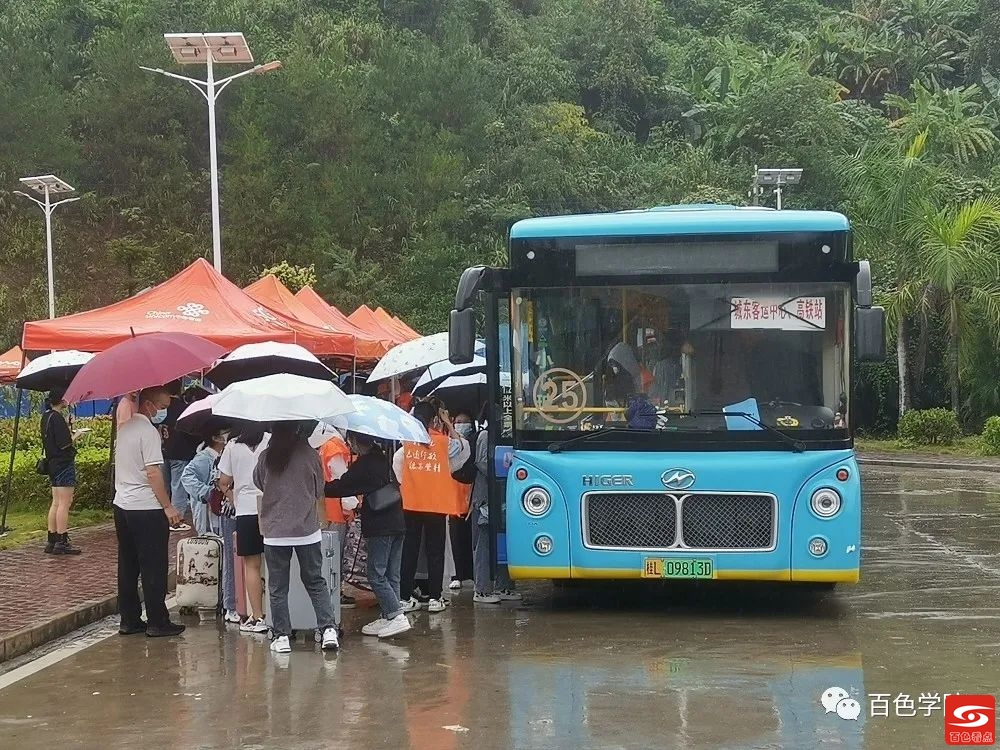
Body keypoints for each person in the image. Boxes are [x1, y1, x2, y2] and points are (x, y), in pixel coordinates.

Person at [253, 421, 339, 655]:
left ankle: (281, 636)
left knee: (278, 587)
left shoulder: (266, 456)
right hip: (307, 531)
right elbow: (319, 488)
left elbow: (258, 482)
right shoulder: (310, 455)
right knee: (315, 581)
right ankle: (328, 629)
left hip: (275, 532)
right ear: (299, 428)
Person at [113, 386, 185, 638]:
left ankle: (129, 619)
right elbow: (153, 472)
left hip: (122, 505)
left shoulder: (124, 428)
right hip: (146, 507)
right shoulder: (148, 431)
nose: (164, 412)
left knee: (128, 564)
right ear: (149, 405)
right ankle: (157, 620)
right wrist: (168, 505)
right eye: (162, 408)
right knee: (153, 565)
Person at [325, 432, 411, 639]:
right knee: (392, 574)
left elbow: (342, 486)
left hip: (380, 525)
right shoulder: (381, 458)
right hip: (397, 520)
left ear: (355, 441)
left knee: (375, 574)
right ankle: (389, 614)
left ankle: (397, 616)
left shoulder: (365, 464)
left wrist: (319, 486)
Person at [394, 401, 470, 614]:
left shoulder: (406, 442)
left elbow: (397, 465)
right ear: (433, 419)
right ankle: (436, 598)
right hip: (436, 505)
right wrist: (449, 423)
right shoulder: (444, 443)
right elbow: (464, 449)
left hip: (411, 504)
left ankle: (405, 597)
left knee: (409, 551)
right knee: (435, 552)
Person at [217, 426, 270, 634]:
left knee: (251, 566)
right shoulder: (271, 440)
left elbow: (223, 481)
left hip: (246, 511)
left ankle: (257, 617)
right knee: (276, 563)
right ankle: (278, 614)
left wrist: (235, 498)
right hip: (271, 508)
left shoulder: (232, 446)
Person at [181, 426, 235, 621]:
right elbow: (186, 477)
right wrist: (205, 493)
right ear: (216, 437)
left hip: (220, 515)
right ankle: (211, 595)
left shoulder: (224, 454)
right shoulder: (204, 458)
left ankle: (220, 595)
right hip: (207, 516)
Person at [470, 426, 520, 604]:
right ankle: (482, 589)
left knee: (504, 540)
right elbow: (481, 462)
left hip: (504, 495)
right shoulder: (485, 435)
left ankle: (504, 586)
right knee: (485, 543)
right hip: (487, 497)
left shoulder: (511, 436)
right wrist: (504, 470)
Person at [318, 433, 359, 609]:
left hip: (326, 509)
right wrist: (354, 505)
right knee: (334, 555)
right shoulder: (334, 448)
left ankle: (330, 592)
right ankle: (334, 593)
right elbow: (344, 481)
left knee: (327, 555)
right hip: (335, 510)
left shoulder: (325, 446)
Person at [41, 388, 82, 555]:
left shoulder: (46, 417)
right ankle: (62, 540)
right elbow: (65, 444)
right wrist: (76, 435)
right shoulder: (57, 418)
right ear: (61, 400)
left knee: (56, 502)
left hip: (52, 464)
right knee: (65, 503)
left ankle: (52, 539)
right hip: (64, 463)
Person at [161, 386, 206, 533]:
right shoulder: (183, 409)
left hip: (163, 451)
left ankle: (162, 515)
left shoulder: (161, 409)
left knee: (164, 486)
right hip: (181, 452)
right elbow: (191, 432)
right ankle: (177, 519)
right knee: (178, 486)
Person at [447, 412, 477, 590]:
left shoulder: (473, 442)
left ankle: (471, 574)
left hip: (470, 496)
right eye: (457, 422)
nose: (459, 425)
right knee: (456, 540)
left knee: (470, 538)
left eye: (463, 422)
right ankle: (457, 574)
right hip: (453, 499)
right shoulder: (450, 444)